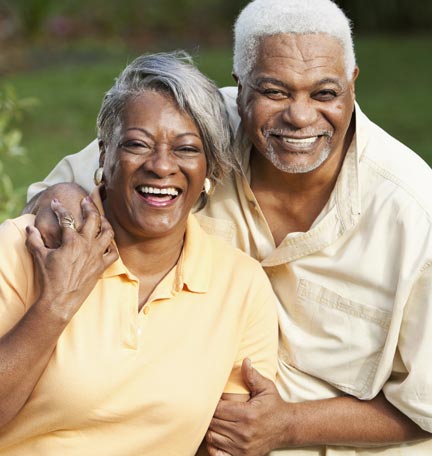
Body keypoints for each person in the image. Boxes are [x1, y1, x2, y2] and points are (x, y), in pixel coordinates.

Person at [25, 0, 432, 455]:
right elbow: (70, 185)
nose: (299, 116)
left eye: (324, 94)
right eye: (275, 91)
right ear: (240, 88)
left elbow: (426, 406)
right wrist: (61, 199)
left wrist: (291, 425)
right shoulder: (192, 125)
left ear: (352, 85)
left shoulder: (414, 213)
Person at [0, 51, 279, 455]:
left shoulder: (241, 285)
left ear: (209, 170)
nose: (161, 166)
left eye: (186, 149)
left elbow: (226, 444)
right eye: (137, 144)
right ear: (104, 156)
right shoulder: (28, 245)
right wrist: (56, 305)